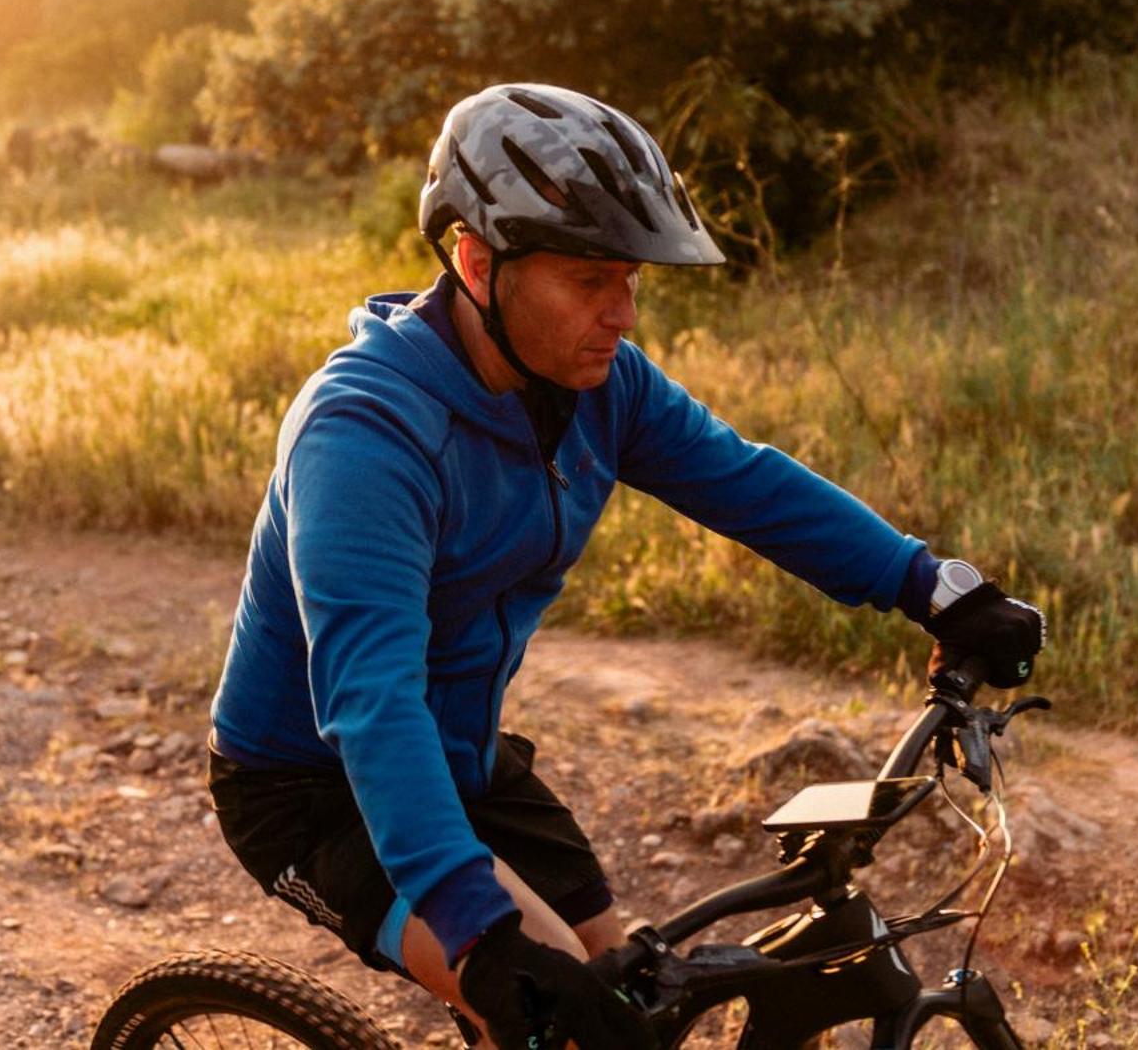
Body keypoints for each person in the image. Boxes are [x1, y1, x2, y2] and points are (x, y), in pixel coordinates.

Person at [206, 83, 1046, 1049]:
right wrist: (477, 932)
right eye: (591, 280)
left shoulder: (594, 385)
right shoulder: (363, 436)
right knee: (570, 1016)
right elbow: (370, 700)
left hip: (459, 758)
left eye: (634, 280)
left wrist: (931, 585)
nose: (624, 313)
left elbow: (748, 485)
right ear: (478, 262)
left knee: (632, 1003)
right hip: (315, 785)